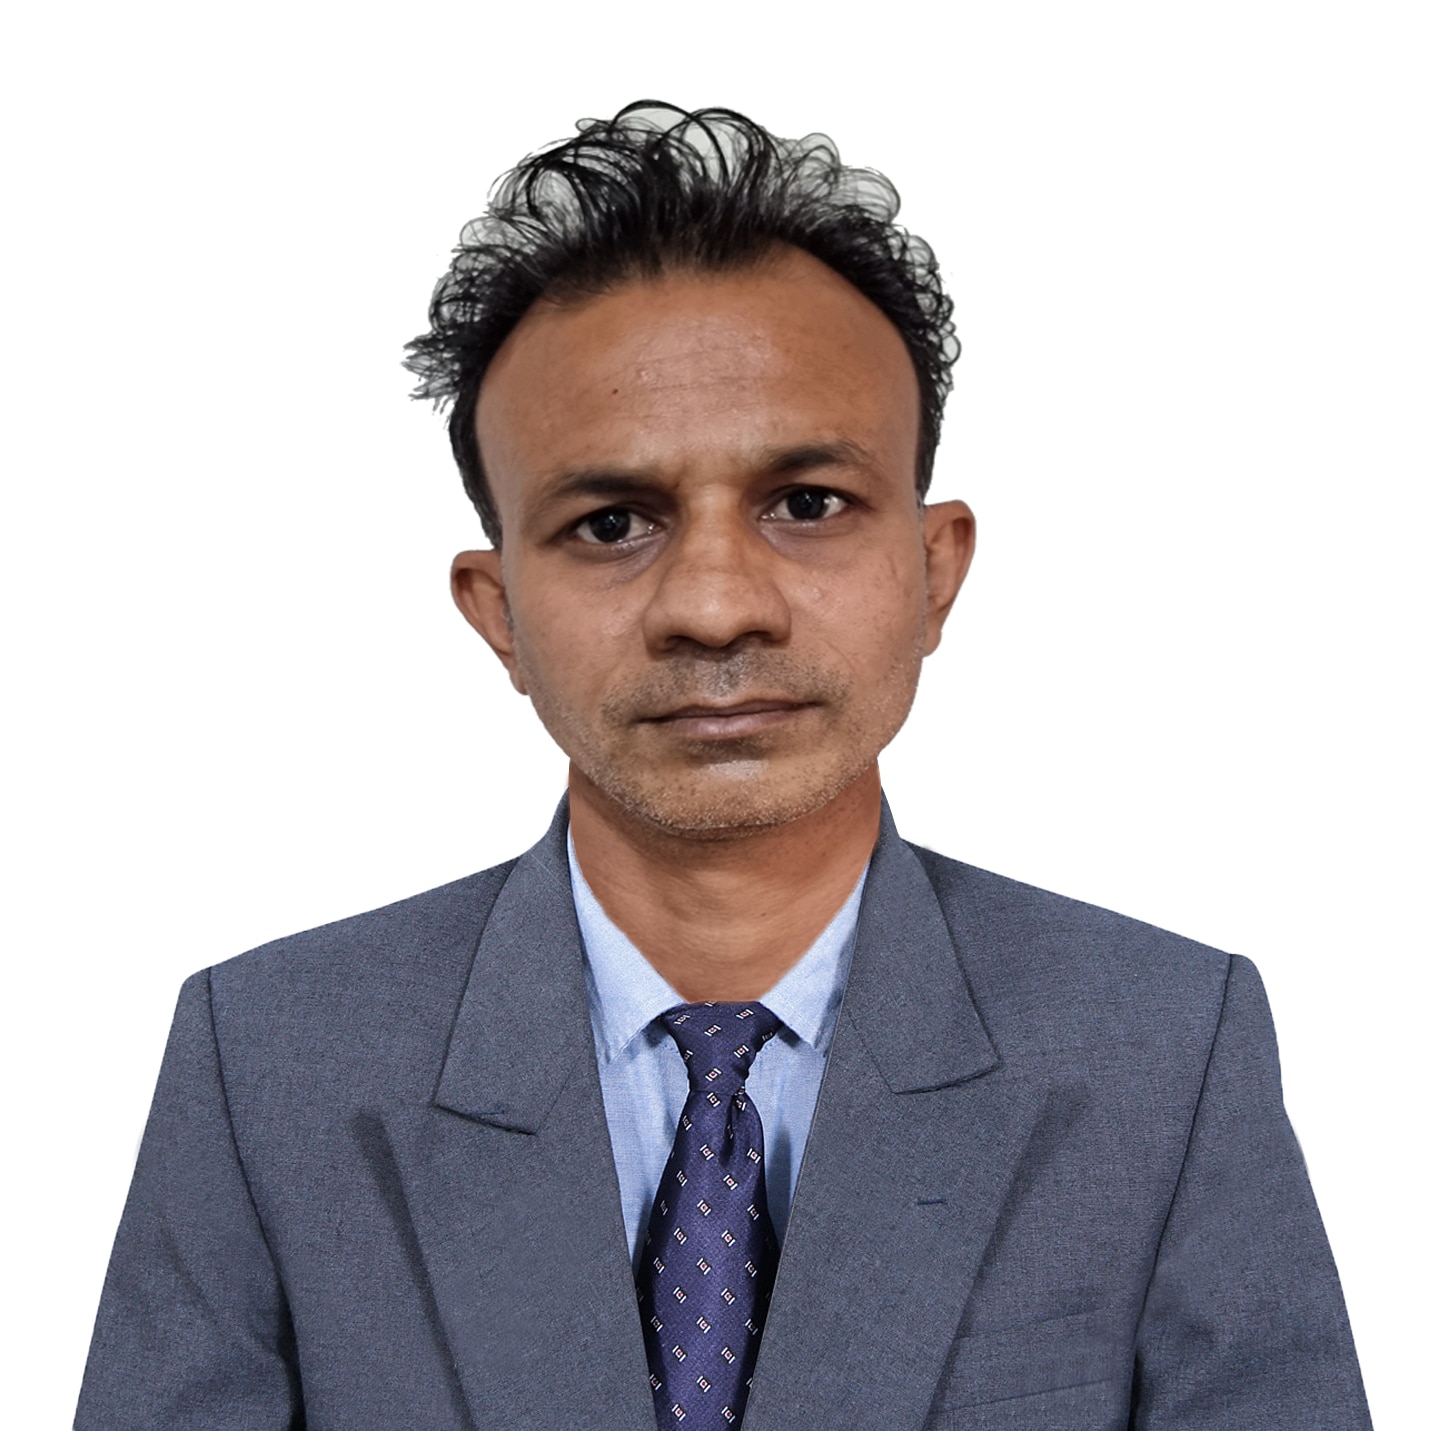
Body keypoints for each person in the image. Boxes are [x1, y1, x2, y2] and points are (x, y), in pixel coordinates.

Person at [75, 101, 1372, 1431]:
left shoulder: (1163, 1044)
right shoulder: (270, 1059)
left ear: (934, 572)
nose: (714, 606)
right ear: (498, 611)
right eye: (611, 523)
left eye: (807, 504)